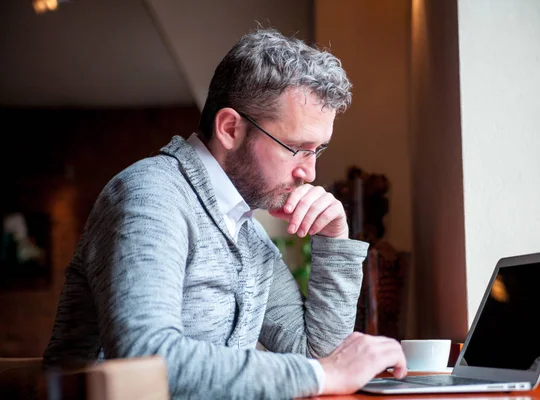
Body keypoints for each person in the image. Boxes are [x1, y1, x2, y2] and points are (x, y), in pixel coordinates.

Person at [43, 28, 407, 398]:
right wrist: (319, 375)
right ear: (230, 128)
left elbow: (317, 355)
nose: (309, 173)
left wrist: (333, 240)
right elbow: (146, 360)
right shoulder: (151, 196)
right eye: (297, 148)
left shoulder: (244, 229)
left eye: (318, 150)